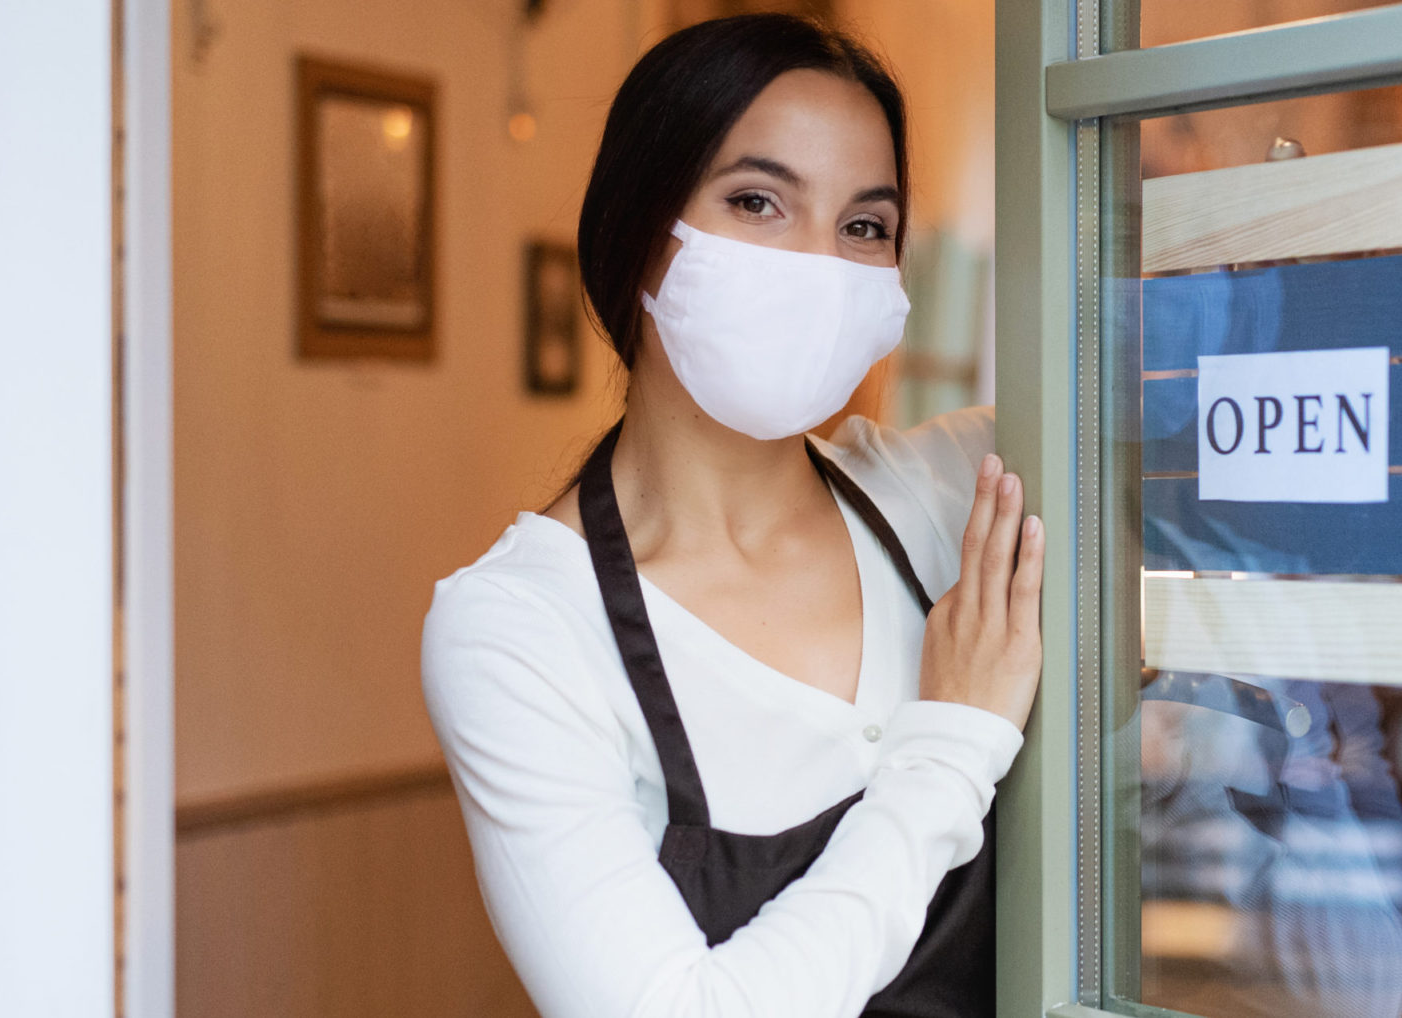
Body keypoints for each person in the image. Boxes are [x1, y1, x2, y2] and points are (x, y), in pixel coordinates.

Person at [419, 15, 1043, 1018]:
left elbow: (1179, 404)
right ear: (639, 232)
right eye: (758, 202)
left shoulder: (944, 493)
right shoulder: (520, 631)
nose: (819, 265)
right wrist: (953, 743)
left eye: (863, 226)